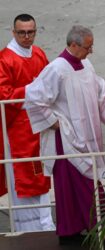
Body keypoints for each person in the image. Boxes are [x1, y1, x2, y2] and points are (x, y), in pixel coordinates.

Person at [24, 25, 105, 245]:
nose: (90, 51)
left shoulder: (86, 64)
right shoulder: (56, 69)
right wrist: (54, 123)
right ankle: (104, 228)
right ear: (73, 45)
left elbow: (101, 92)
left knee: (74, 187)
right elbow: (34, 98)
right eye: (88, 47)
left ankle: (69, 231)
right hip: (68, 139)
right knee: (84, 184)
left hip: (88, 136)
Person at [0, 13, 55, 232]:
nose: (26, 37)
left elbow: (49, 81)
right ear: (13, 32)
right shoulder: (5, 59)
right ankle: (28, 228)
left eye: (30, 32)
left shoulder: (39, 53)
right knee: (23, 177)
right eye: (21, 32)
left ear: (35, 31)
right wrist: (32, 90)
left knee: (41, 176)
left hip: (38, 127)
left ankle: (44, 222)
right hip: (18, 131)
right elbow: (4, 94)